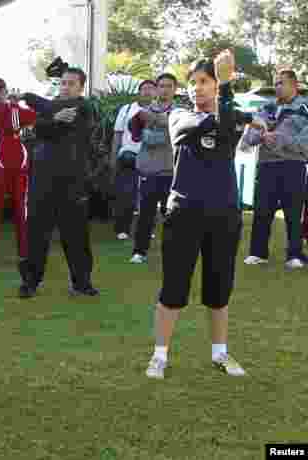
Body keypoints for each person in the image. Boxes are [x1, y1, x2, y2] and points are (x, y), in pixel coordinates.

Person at [144, 50, 250, 380]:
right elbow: (196, 127)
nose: (197, 88)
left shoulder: (229, 115)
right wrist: (229, 110)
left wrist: (229, 91)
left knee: (219, 290)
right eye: (193, 83)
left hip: (224, 214)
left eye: (205, 81)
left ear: (217, 86)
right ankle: (159, 356)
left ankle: (220, 353)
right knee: (174, 289)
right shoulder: (179, 115)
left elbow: (231, 125)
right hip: (184, 213)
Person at [18, 64, 100, 299]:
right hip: (42, 180)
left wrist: (30, 98)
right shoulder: (51, 108)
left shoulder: (84, 107)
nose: (65, 87)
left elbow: (48, 115)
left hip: (72, 182)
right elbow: (40, 128)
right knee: (36, 234)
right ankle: (30, 282)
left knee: (76, 236)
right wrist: (52, 118)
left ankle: (82, 283)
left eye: (71, 83)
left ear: (81, 88)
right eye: (63, 83)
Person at [240, 69, 308, 269]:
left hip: (292, 165)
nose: (277, 86)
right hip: (267, 165)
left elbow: (304, 143)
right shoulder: (265, 108)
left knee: (293, 212)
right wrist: (261, 136)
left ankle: (294, 255)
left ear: (294, 85)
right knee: (262, 210)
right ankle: (258, 253)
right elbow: (249, 138)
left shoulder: (304, 109)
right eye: (276, 83)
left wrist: (275, 138)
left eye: (282, 83)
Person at [0, 78, 36, 268]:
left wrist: (14, 105)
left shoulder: (11, 108)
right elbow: (11, 121)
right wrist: (13, 105)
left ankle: (26, 252)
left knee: (22, 209)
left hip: (19, 164)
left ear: (4, 91)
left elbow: (33, 117)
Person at [127, 74, 179, 264]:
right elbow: (135, 135)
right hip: (148, 170)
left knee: (172, 216)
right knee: (145, 215)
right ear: (156, 89)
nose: (164, 89)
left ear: (175, 89)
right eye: (161, 86)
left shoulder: (179, 112)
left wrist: (153, 120)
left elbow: (170, 124)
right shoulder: (143, 111)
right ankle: (139, 252)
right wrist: (140, 122)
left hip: (171, 171)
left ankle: (173, 251)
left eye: (169, 86)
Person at [112, 80, 157, 240]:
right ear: (139, 92)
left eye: (151, 89)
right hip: (128, 155)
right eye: (144, 89)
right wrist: (113, 157)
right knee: (126, 193)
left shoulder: (158, 111)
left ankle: (146, 228)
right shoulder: (127, 110)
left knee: (148, 195)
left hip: (151, 159)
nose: (147, 92)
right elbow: (117, 134)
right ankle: (122, 228)